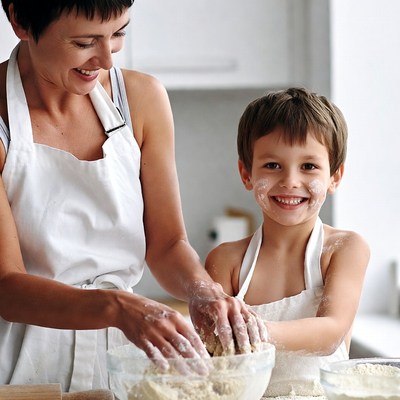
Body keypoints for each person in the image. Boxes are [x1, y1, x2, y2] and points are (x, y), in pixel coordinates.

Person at [0, 0, 266, 392]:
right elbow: (6, 285)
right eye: (84, 41)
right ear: (20, 21)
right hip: (18, 370)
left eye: (119, 33)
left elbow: (167, 244)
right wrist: (120, 308)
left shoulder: (142, 99)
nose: (106, 59)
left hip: (123, 362)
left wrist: (202, 291)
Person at [205, 88, 370, 396]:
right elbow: (216, 356)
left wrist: (257, 330)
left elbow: (330, 333)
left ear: (335, 177)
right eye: (272, 165)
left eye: (308, 166)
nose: (290, 181)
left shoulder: (343, 249)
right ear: (246, 174)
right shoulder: (226, 261)